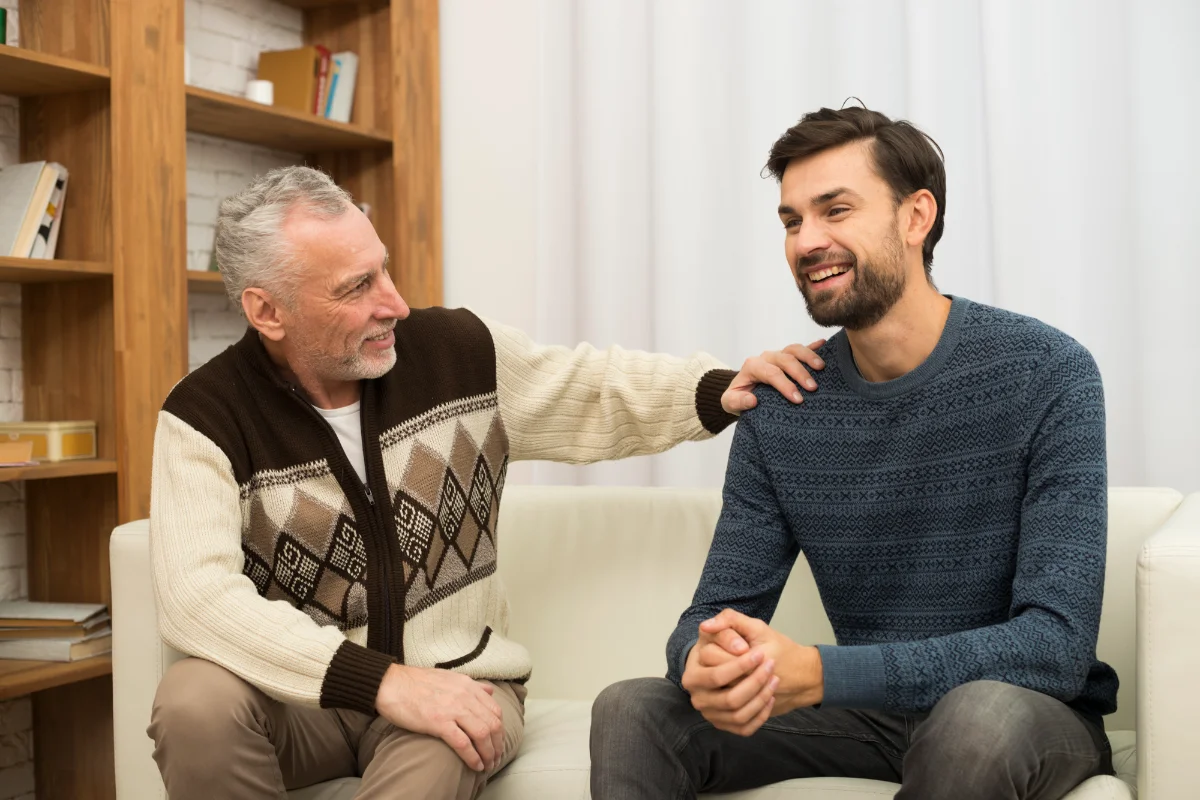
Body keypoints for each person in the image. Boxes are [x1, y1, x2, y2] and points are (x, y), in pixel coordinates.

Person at [146, 165, 827, 800]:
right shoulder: (204, 417)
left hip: (459, 687)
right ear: (267, 311)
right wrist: (381, 682)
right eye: (357, 287)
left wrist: (718, 388)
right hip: (306, 703)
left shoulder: (456, 355)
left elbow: (589, 388)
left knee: (440, 747)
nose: (396, 304)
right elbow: (195, 596)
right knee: (192, 700)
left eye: (383, 270)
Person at [590, 106, 1117, 800]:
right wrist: (705, 659)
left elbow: (1054, 646)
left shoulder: (1048, 372)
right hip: (866, 717)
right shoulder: (783, 405)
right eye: (791, 221)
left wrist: (823, 672)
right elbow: (710, 613)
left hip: (1022, 713)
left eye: (835, 210)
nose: (808, 241)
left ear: (915, 217)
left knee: (975, 720)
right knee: (632, 711)